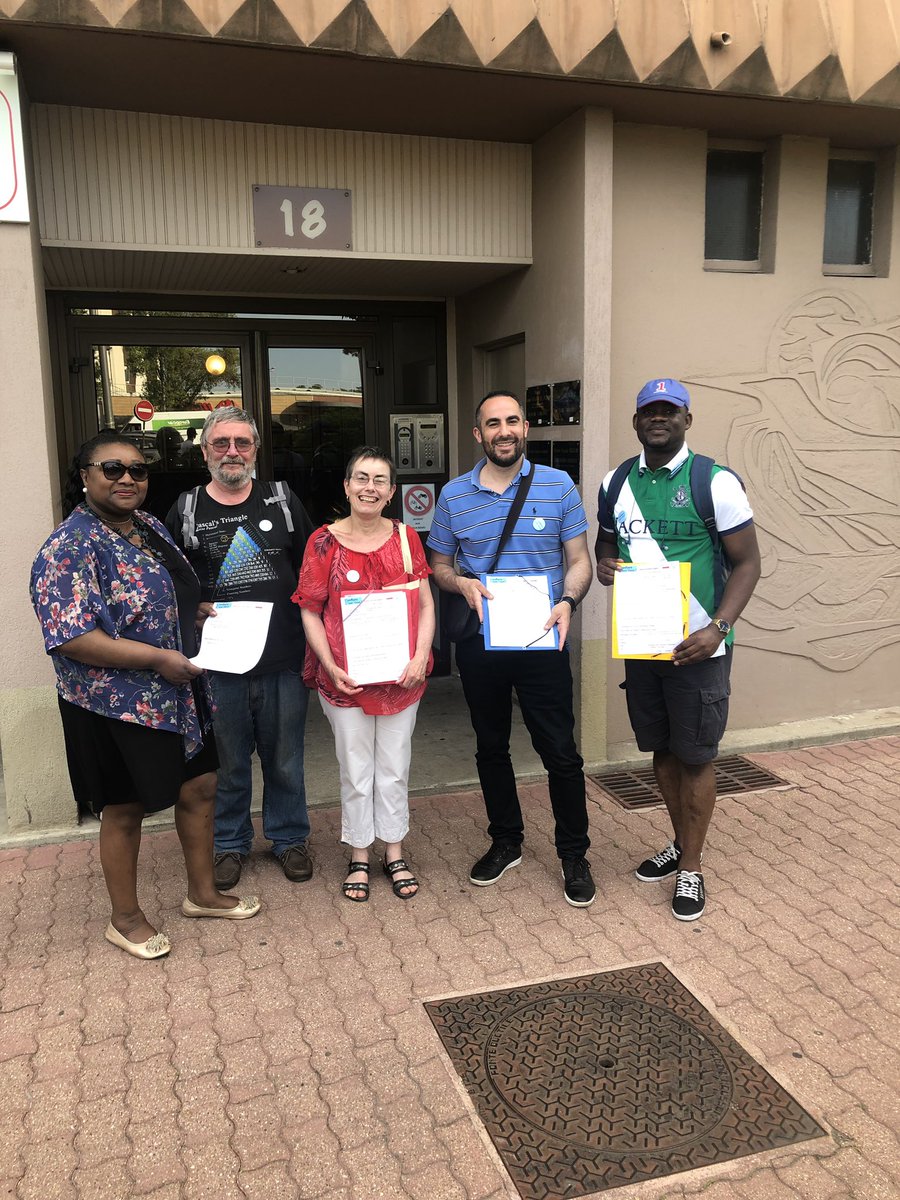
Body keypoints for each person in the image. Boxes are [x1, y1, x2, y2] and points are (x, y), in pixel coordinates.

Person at [30, 435, 261, 960]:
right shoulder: (70, 545)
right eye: (112, 469)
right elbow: (69, 636)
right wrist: (158, 658)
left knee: (201, 786)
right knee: (125, 808)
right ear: (85, 475)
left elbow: (170, 591)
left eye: (137, 470)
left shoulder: (150, 528)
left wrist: (194, 612)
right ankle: (125, 918)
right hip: (113, 702)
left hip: (180, 693)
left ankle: (202, 894)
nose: (127, 479)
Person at [595, 378, 761, 921]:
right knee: (662, 750)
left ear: (687, 419)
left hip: (698, 647)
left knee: (696, 757)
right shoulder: (615, 481)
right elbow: (605, 542)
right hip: (644, 644)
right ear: (636, 421)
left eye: (669, 411)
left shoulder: (715, 481)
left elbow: (748, 563)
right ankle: (678, 841)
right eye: (649, 412)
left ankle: (691, 867)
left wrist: (719, 627)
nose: (658, 419)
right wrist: (604, 564)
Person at [428, 391, 595, 907]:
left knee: (560, 752)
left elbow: (579, 560)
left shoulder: (558, 485)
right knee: (490, 746)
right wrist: (461, 585)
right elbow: (439, 565)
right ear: (478, 434)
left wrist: (570, 599)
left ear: (526, 428)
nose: (504, 431)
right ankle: (506, 840)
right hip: (483, 641)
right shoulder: (454, 496)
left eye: (513, 421)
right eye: (492, 423)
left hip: (544, 635)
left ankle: (574, 853)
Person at [166, 409, 315, 889]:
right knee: (228, 760)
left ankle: (289, 838)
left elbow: (312, 564)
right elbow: (170, 579)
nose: (232, 452)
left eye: (242, 443)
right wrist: (191, 608)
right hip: (219, 663)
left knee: (286, 756)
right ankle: (230, 844)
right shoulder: (185, 509)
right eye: (222, 443)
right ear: (205, 450)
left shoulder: (283, 499)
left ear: (255, 450)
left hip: (283, 657)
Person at [294, 447, 434, 902]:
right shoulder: (322, 542)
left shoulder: (407, 539)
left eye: (379, 480)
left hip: (401, 680)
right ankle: (359, 852)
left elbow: (428, 605)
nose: (369, 487)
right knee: (356, 770)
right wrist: (330, 665)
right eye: (361, 478)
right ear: (347, 486)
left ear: (391, 492)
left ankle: (393, 850)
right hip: (344, 681)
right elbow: (310, 611)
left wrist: (420, 654)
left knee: (394, 767)